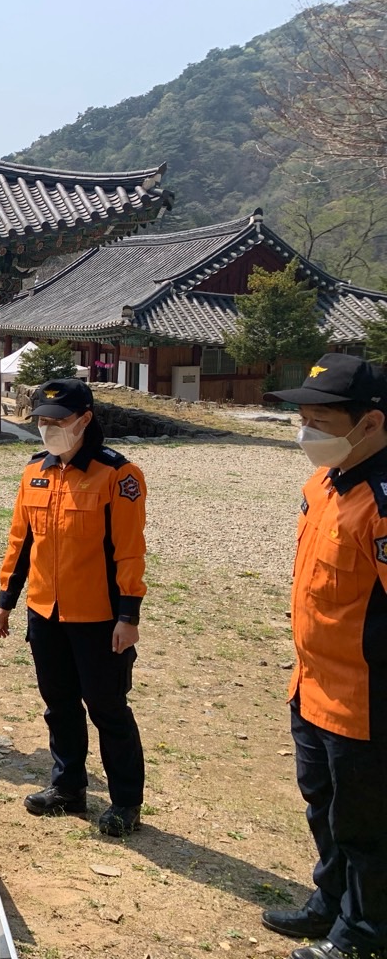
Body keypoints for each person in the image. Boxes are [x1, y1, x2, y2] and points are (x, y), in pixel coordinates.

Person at [256, 355, 387, 959]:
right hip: (311, 684)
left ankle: (363, 934)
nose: (306, 432)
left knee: (366, 827)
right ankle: (329, 902)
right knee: (323, 807)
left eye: (320, 422)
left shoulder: (381, 505)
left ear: (371, 423)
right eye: (302, 419)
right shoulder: (324, 484)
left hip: (365, 699)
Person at [0, 378, 147, 838]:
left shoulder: (118, 474)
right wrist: (6, 598)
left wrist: (128, 616)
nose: (48, 429)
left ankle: (126, 802)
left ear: (84, 420)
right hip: (45, 611)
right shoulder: (34, 471)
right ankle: (68, 787)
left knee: (107, 708)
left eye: (58, 421)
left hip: (98, 616)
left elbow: (129, 551)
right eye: (42, 420)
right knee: (58, 705)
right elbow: (21, 541)